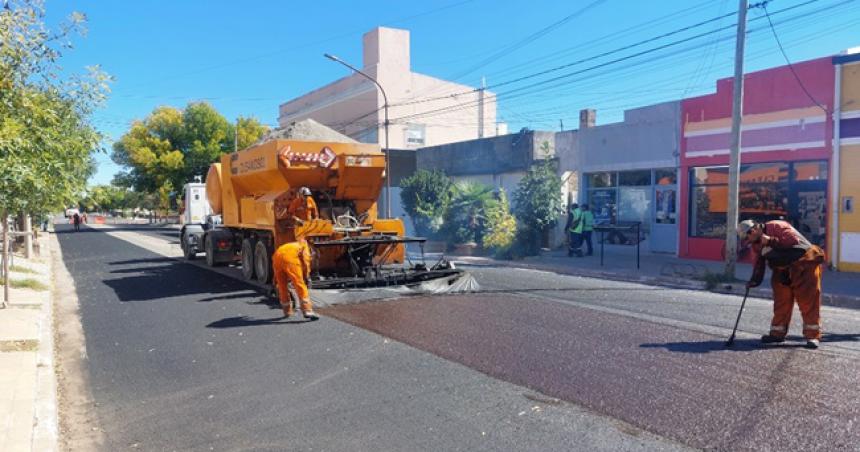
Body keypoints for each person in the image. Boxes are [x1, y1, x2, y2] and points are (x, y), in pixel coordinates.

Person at [738, 219, 826, 349]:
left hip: (804, 264)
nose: (749, 241)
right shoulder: (756, 245)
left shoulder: (777, 226)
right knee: (781, 301)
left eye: (748, 237)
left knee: (808, 301)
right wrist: (754, 281)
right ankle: (777, 333)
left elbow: (793, 244)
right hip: (782, 268)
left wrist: (770, 241)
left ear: (754, 230)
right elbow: (758, 264)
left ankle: (812, 335)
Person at [272, 235, 319, 321]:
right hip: (289, 259)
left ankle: (287, 311)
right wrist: (307, 276)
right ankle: (307, 310)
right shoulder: (305, 246)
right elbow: (306, 260)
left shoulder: (293, 245)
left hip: (276, 257)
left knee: (282, 285)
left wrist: (274, 280)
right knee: (299, 284)